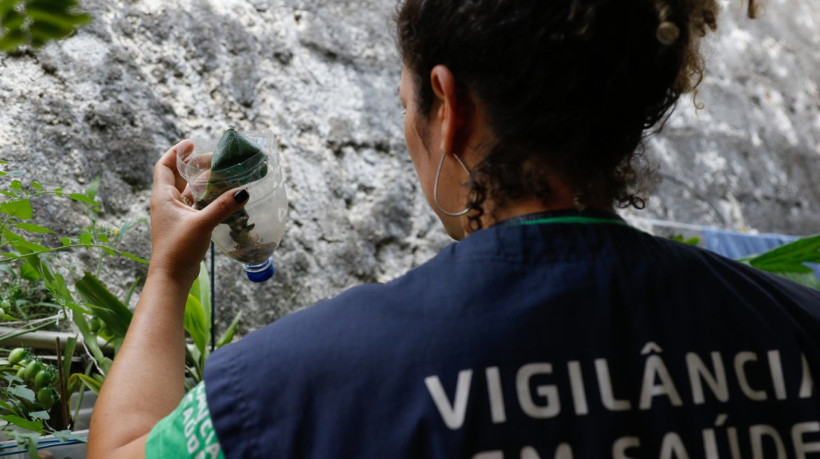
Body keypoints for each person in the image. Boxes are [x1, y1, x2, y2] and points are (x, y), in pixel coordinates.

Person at [88, 0, 820, 457]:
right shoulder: (799, 326)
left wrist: (169, 272)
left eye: (408, 102)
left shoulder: (290, 388)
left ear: (450, 107)